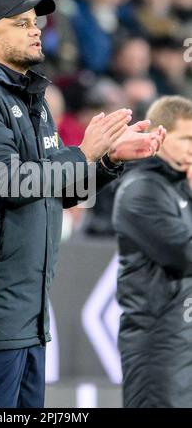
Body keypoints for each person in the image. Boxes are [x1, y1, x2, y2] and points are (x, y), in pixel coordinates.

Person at [0, 0, 165, 409]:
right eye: (20, 24)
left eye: (36, 22)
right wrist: (84, 152)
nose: (35, 30)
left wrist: (109, 160)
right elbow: (9, 182)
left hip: (26, 303)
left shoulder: (32, 99)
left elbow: (60, 190)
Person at [113, 95, 192, 408]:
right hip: (156, 347)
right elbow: (185, 255)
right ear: (160, 134)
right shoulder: (141, 189)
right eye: (186, 139)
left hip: (182, 341)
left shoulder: (179, 188)